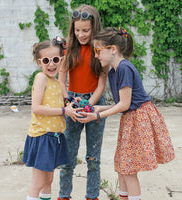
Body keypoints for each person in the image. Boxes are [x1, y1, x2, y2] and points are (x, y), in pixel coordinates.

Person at [77, 27, 175, 200]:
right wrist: (98, 108)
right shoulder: (114, 70)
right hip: (131, 117)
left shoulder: (123, 68)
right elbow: (123, 103)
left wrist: (98, 115)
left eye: (98, 51)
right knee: (123, 166)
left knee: (128, 169)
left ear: (113, 49)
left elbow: (125, 104)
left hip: (139, 118)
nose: (96, 55)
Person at [57, 4, 109, 200]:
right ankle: (63, 196)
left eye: (86, 30)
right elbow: (62, 80)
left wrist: (89, 108)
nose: (81, 34)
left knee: (93, 158)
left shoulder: (100, 50)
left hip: (94, 103)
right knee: (68, 158)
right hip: (72, 102)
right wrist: (68, 104)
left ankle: (92, 196)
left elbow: (101, 84)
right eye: (77, 30)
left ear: (94, 28)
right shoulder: (68, 49)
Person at [22, 39, 75, 200]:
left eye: (55, 60)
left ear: (62, 60)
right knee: (39, 182)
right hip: (42, 136)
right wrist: (64, 110)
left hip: (54, 137)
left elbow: (61, 102)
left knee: (49, 180)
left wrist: (72, 104)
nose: (51, 64)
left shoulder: (57, 83)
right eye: (46, 60)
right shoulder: (41, 78)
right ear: (40, 62)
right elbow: (36, 108)